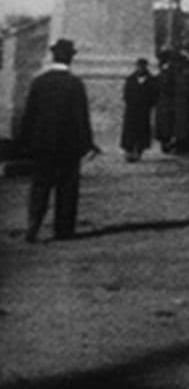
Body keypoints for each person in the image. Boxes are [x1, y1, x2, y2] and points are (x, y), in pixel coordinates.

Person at [17, 39, 100, 243]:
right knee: (67, 188)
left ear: (54, 56)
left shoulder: (39, 82)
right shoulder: (75, 84)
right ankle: (63, 230)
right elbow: (82, 117)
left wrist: (24, 143)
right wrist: (88, 143)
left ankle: (33, 226)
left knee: (40, 186)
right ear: (71, 58)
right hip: (68, 145)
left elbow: (29, 115)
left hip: (42, 145)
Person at [120, 57, 158, 162]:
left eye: (143, 66)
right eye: (139, 66)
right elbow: (126, 94)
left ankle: (139, 150)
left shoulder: (151, 80)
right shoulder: (130, 79)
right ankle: (129, 150)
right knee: (130, 131)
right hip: (132, 110)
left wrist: (148, 104)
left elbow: (153, 94)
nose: (141, 68)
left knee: (142, 131)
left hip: (144, 110)